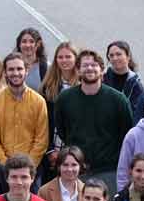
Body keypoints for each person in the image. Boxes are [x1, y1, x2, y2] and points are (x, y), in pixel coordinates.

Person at [53, 49, 135, 192]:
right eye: (85, 65)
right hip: (76, 169)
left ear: (102, 70)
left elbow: (127, 134)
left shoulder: (118, 100)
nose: (90, 68)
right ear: (78, 70)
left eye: (94, 65)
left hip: (109, 170)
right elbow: (62, 130)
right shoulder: (65, 99)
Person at [0, 53, 48, 166]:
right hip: (2, 167)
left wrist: (28, 166)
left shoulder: (39, 102)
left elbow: (41, 140)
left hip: (31, 168)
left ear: (27, 70)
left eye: (19, 69)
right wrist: (6, 165)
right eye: (11, 69)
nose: (15, 73)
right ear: (4, 72)